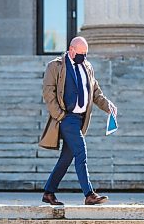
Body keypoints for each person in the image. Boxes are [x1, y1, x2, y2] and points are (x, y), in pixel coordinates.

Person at [38, 37, 117, 205]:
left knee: (66, 158)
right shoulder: (56, 66)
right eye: (80, 54)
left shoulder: (87, 67)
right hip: (67, 118)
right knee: (81, 151)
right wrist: (60, 115)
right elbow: (48, 93)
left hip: (81, 119)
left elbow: (95, 93)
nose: (84, 57)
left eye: (85, 54)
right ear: (71, 50)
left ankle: (48, 192)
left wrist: (108, 106)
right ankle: (89, 194)